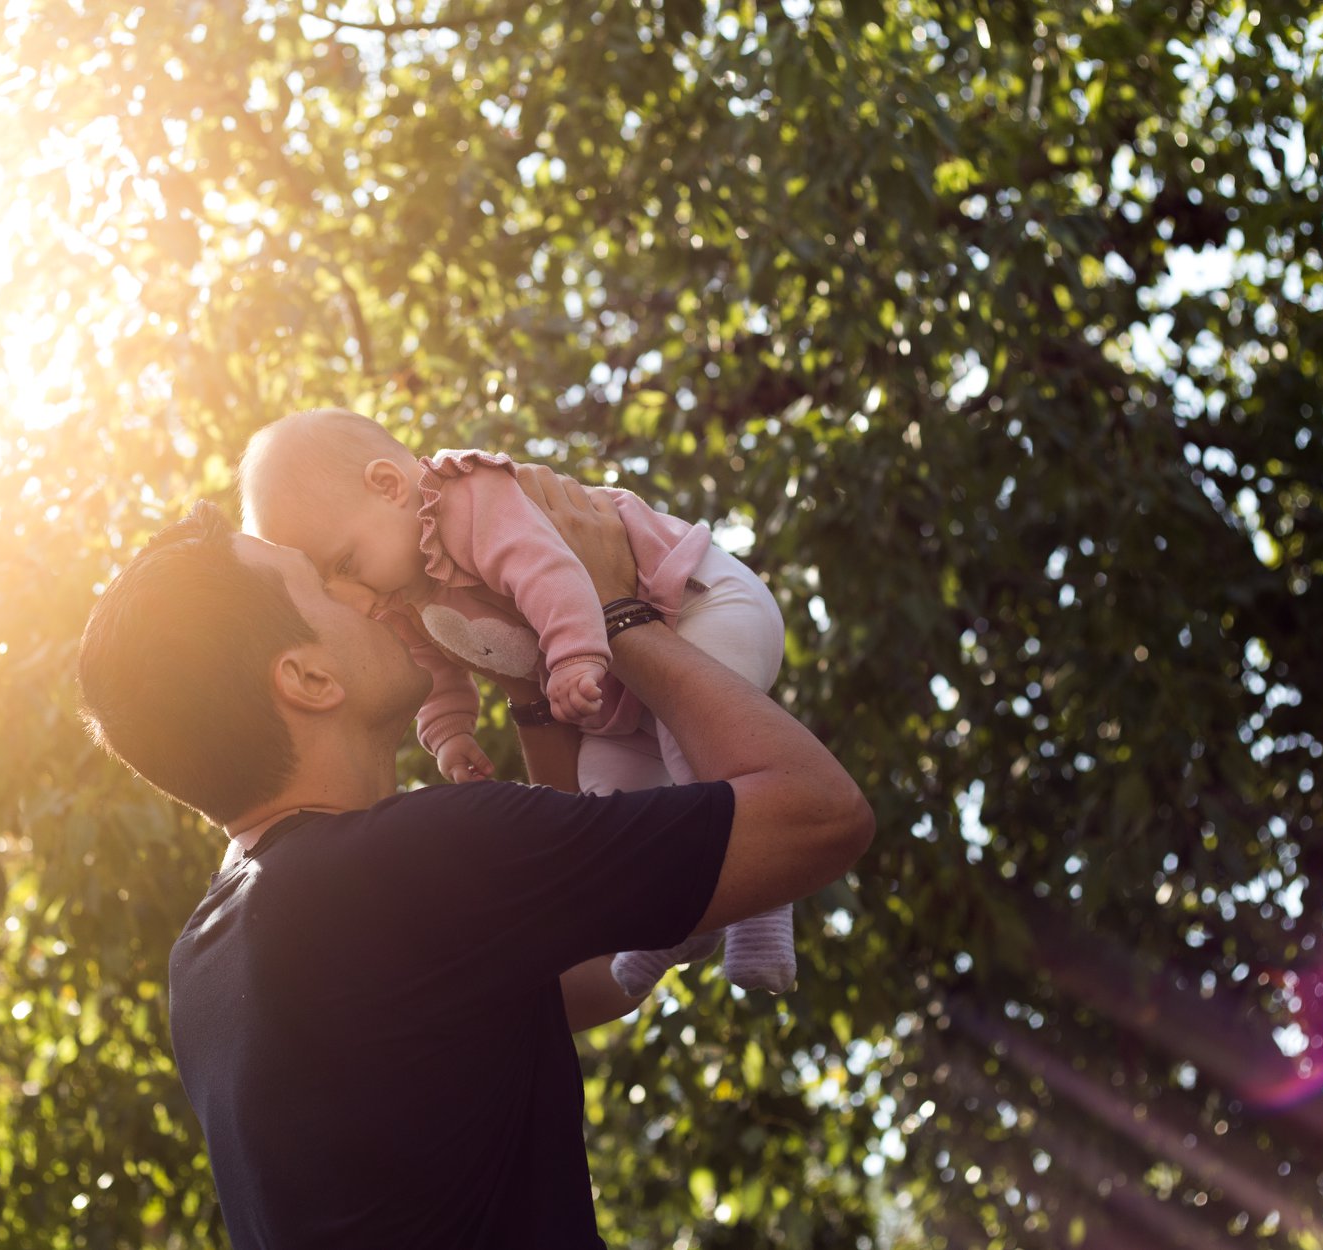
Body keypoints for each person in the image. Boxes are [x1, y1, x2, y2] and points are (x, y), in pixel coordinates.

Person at [75, 472, 872, 1248]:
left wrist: (533, 695)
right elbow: (818, 815)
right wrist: (617, 612)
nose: (365, 595)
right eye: (323, 588)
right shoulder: (412, 863)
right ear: (308, 679)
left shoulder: (209, 955)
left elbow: (581, 978)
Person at [237, 408, 796, 995]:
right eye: (331, 584)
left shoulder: (467, 502)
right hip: (626, 686)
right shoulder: (397, 591)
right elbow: (430, 668)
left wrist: (576, 653)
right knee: (607, 803)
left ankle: (765, 898)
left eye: (345, 564)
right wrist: (451, 734)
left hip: (696, 604)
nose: (353, 596)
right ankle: (661, 927)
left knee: (697, 759)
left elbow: (546, 569)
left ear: (388, 485)